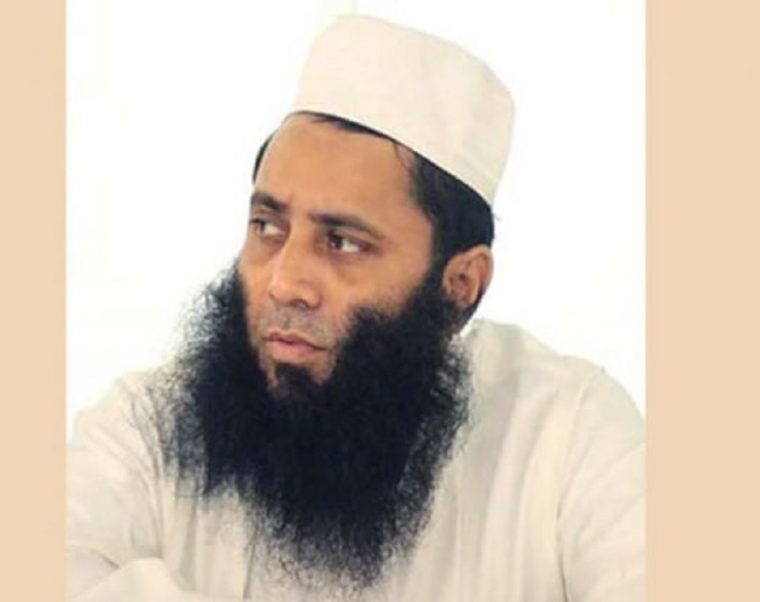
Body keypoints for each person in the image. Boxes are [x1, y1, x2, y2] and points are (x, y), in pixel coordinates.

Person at [67, 14, 643, 602]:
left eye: (342, 243)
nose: (284, 283)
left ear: (460, 285)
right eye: (268, 226)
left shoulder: (566, 436)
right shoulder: (146, 432)